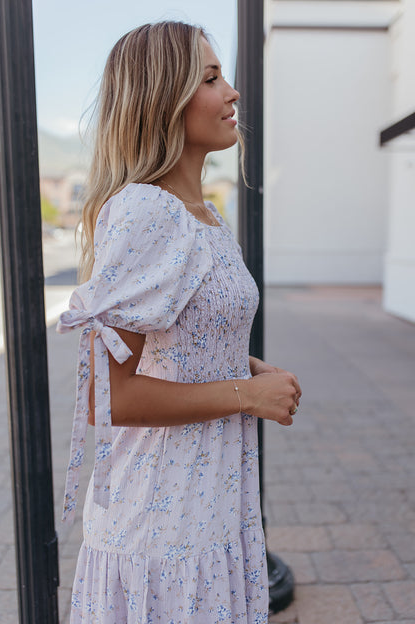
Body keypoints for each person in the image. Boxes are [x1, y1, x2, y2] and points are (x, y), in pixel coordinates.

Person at [57, 21, 301, 624]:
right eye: (211, 79)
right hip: (161, 524)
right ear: (164, 99)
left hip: (209, 503)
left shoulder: (203, 216)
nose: (232, 92)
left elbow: (179, 340)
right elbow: (107, 395)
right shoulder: (147, 211)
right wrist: (246, 394)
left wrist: (241, 364)